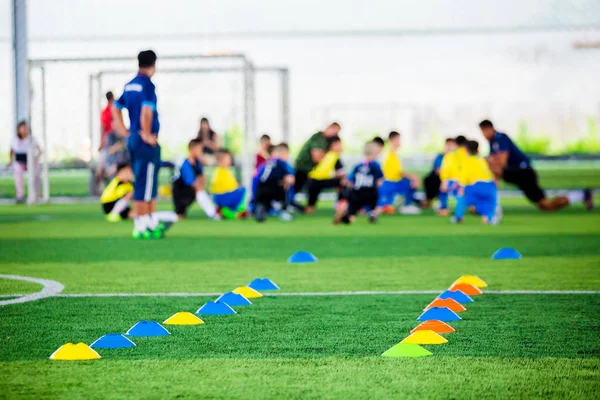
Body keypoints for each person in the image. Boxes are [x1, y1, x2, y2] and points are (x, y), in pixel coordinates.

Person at [112, 50, 178, 239]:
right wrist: (148, 134)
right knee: (146, 183)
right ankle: (142, 226)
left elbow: (116, 108)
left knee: (142, 180)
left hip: (133, 139)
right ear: (154, 64)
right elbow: (146, 111)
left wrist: (123, 129)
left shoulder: (130, 85)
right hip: (143, 141)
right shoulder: (147, 85)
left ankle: (147, 223)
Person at [480, 120, 593, 211]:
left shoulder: (501, 138)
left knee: (547, 205)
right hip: (520, 175)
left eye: (484, 132)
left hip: (524, 172)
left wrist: (490, 163)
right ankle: (581, 195)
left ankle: (583, 194)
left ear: (489, 129)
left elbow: (502, 162)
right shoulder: (492, 142)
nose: (483, 135)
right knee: (544, 206)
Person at [334, 142, 384, 225]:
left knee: (352, 213)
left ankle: (347, 217)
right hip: (370, 192)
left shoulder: (358, 166)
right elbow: (379, 181)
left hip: (357, 193)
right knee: (376, 205)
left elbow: (349, 181)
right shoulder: (375, 165)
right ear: (375, 153)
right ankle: (372, 213)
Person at [293, 123, 341, 208]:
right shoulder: (319, 138)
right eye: (335, 132)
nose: (336, 134)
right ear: (330, 128)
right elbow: (316, 157)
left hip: (311, 170)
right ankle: (288, 204)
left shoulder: (325, 142)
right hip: (303, 168)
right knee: (296, 188)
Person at [452, 141, 499, 224]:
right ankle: (489, 218)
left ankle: (458, 217)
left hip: (475, 186)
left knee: (461, 197)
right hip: (490, 186)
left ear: (466, 150)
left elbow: (464, 177)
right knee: (489, 203)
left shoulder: (466, 161)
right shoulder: (482, 160)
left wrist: (461, 188)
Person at [172, 139, 220, 220]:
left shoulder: (197, 163)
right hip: (181, 193)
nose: (201, 151)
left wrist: (199, 184)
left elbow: (202, 178)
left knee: (200, 191)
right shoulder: (185, 164)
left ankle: (213, 214)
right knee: (178, 217)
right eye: (199, 149)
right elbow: (191, 183)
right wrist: (199, 184)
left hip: (191, 191)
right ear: (192, 149)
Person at [376, 131, 422, 215]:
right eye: (398, 139)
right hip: (389, 183)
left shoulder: (394, 154)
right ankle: (403, 205)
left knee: (410, 183)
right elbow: (399, 172)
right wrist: (413, 177)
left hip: (396, 182)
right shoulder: (388, 154)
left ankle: (406, 204)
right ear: (392, 140)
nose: (400, 142)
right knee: (382, 204)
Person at [255, 143, 295, 222]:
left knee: (263, 202)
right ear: (283, 154)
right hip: (274, 187)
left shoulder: (266, 163)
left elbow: (256, 177)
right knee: (285, 185)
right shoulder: (282, 163)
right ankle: (283, 211)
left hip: (260, 188)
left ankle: (264, 210)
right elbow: (290, 179)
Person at [305, 136, 346, 213]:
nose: (341, 147)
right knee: (342, 182)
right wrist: (336, 175)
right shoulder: (331, 154)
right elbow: (341, 172)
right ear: (333, 145)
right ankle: (340, 203)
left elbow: (340, 171)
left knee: (341, 182)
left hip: (315, 179)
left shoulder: (328, 154)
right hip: (317, 179)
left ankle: (310, 207)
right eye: (339, 145)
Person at [7, 121, 41, 203]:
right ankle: (20, 196)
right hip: (19, 161)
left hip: (30, 161)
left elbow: (39, 150)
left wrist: (36, 158)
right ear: (19, 129)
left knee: (35, 176)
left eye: (26, 128)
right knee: (18, 176)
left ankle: (36, 195)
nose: (25, 130)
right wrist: (10, 161)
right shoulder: (15, 139)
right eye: (23, 128)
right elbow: (12, 151)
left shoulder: (31, 139)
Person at [210, 149, 248, 219]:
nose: (230, 160)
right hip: (222, 197)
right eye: (228, 158)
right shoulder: (221, 172)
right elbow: (230, 187)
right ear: (221, 160)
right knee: (243, 190)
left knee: (228, 209)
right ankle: (241, 211)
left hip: (220, 197)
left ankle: (229, 213)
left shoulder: (224, 171)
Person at [438, 135, 469, 216]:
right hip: (469, 182)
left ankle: (443, 208)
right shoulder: (469, 155)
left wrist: (444, 181)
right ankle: (473, 207)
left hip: (453, 182)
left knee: (443, 190)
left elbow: (445, 170)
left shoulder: (450, 155)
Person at [422, 138, 456, 209]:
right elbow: (438, 170)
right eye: (448, 145)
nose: (449, 147)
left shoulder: (456, 157)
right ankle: (432, 200)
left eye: (451, 145)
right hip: (440, 178)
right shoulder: (440, 156)